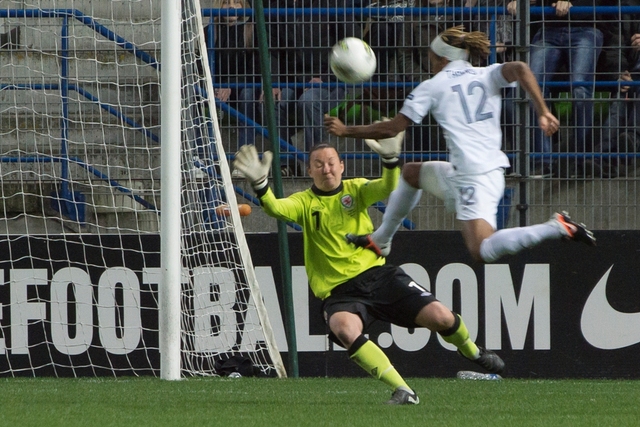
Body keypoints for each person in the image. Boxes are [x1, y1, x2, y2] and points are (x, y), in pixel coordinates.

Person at [232, 141, 505, 405]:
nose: (326, 169)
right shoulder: (304, 202)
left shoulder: (356, 190)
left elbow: (388, 185)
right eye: (318, 164)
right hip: (340, 291)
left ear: (341, 166)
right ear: (310, 171)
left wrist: (390, 161)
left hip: (378, 277)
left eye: (330, 163)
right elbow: (276, 208)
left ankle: (473, 351)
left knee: (442, 318)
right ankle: (404, 390)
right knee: (343, 328)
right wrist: (261, 187)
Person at [324, 26, 596, 263]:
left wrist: (346, 130)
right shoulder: (486, 74)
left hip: (474, 180)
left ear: (442, 59)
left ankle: (556, 227)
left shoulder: (433, 86)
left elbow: (393, 127)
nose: (429, 63)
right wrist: (543, 110)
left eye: (431, 58)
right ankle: (380, 240)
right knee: (411, 173)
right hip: (474, 171)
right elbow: (522, 69)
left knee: (482, 250)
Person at [506, 0, 605, 177]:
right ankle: (543, 161)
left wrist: (572, 4)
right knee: (528, 88)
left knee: (580, 89)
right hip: (547, 29)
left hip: (586, 29)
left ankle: (579, 159)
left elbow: (607, 5)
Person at [592, 0, 640, 177]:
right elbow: (615, 47)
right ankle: (603, 156)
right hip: (634, 72)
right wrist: (619, 72)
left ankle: (631, 140)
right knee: (622, 94)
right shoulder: (625, 7)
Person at [208, 0, 264, 151]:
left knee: (248, 94)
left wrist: (231, 85)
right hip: (218, 88)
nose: (231, 7)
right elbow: (203, 65)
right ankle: (201, 157)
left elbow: (255, 69)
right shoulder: (210, 31)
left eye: (236, 3)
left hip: (244, 87)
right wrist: (216, 85)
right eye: (226, 2)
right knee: (200, 95)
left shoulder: (252, 30)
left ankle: (244, 154)